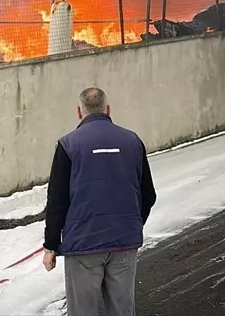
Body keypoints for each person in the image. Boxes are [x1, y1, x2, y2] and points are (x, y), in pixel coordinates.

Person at [43, 87, 157, 316]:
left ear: (79, 111)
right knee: (122, 310)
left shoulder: (68, 145)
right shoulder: (133, 141)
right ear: (108, 109)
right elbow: (148, 194)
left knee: (84, 311)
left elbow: (57, 200)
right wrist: (132, 223)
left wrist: (51, 245)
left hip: (83, 245)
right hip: (124, 242)